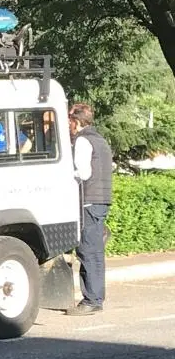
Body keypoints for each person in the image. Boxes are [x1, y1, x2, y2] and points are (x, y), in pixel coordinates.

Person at [66, 103, 114, 316]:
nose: (68, 126)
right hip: (100, 200)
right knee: (95, 251)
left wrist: (65, 176)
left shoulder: (83, 140)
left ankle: (91, 300)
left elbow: (83, 172)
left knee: (88, 250)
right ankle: (95, 298)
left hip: (88, 200)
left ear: (76, 122)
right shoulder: (100, 139)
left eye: (69, 122)